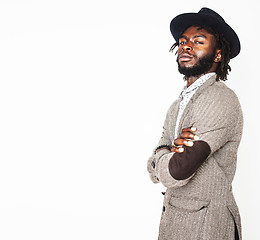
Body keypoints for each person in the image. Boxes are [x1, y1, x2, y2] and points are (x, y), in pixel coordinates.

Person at [147, 7, 243, 240]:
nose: (186, 46)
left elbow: (177, 171)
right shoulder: (175, 106)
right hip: (174, 223)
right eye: (183, 41)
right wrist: (167, 152)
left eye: (198, 41)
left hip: (207, 225)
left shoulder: (220, 99)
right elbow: (153, 169)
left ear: (218, 54)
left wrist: (163, 155)